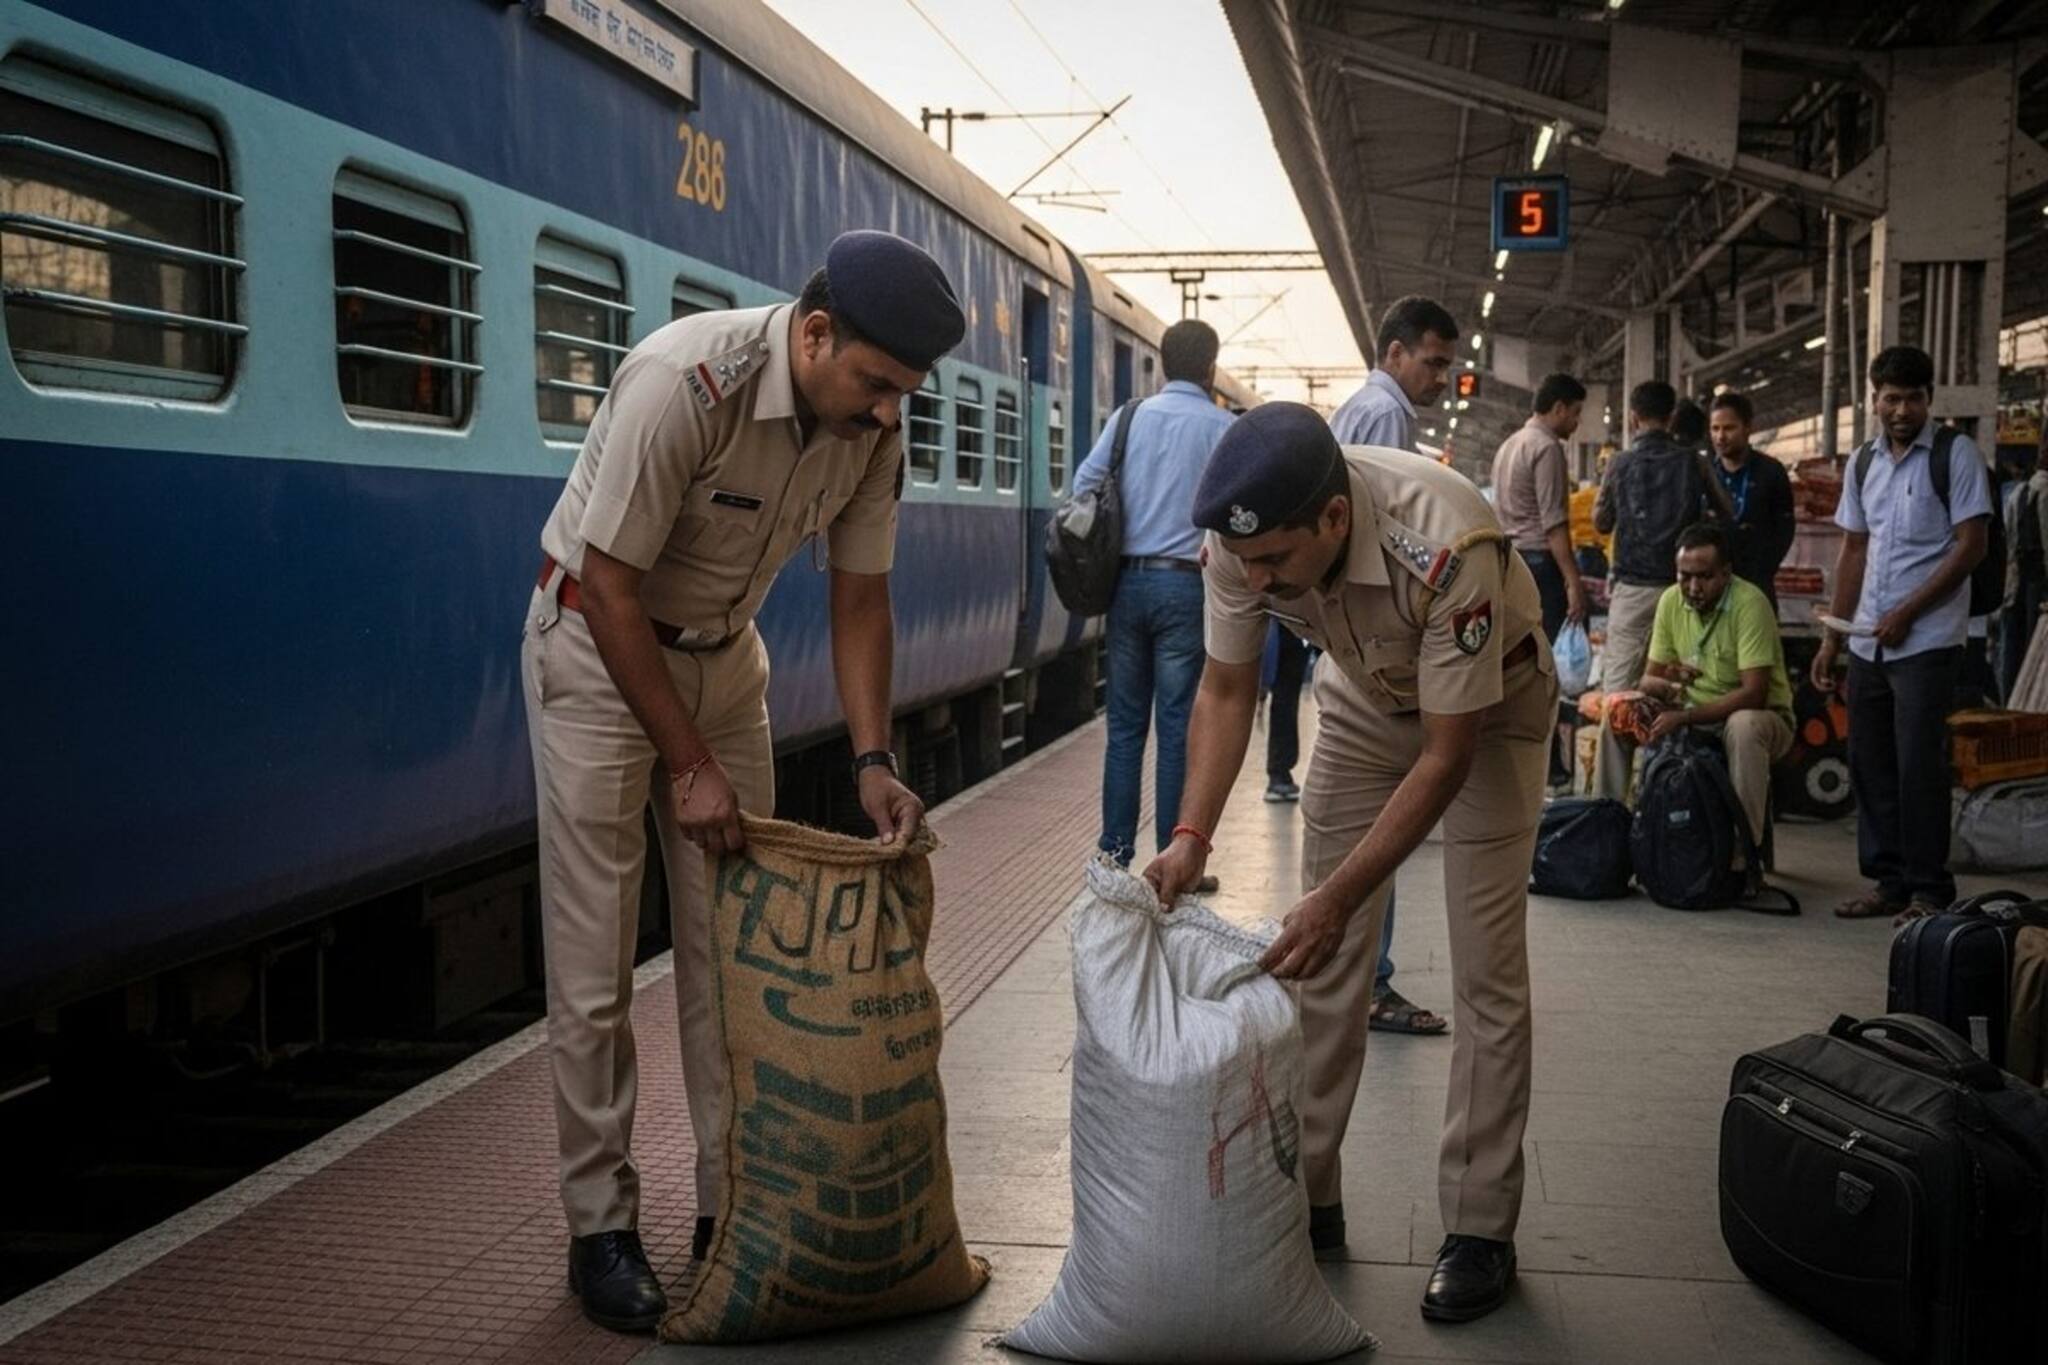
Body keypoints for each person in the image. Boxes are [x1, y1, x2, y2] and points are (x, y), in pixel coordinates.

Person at [524, 230, 962, 1332]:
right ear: (813, 334)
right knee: (595, 964)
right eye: (872, 383)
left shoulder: (870, 429)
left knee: (735, 956)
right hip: (594, 651)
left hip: (727, 663)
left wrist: (872, 763)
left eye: (900, 393)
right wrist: (691, 768)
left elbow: (860, 600)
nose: (883, 411)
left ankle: (733, 1212)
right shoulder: (685, 383)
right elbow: (612, 587)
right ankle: (601, 1227)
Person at [1146, 402, 1555, 1323]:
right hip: (1367, 704)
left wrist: (1338, 893)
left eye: (1276, 563)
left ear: (1334, 520)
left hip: (1487, 717)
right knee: (1317, 965)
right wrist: (1189, 837)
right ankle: (1308, 1195)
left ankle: (1481, 1226)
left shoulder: (1449, 544)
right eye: (1244, 562)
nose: (1256, 579)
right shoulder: (1240, 544)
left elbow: (1448, 756)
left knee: (1487, 972)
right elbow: (1225, 684)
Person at [1814, 345, 1991, 923]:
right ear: (1873, 400)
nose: (1901, 409)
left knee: (1920, 766)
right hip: (1867, 640)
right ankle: (1887, 882)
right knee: (1871, 763)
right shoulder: (1864, 463)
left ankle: (1928, 891)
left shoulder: (1954, 455)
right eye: (1891, 398)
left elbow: (1971, 547)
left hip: (1928, 641)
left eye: (1913, 398)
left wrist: (1909, 611)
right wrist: (1834, 638)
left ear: (1928, 400)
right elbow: (1854, 549)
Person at [1323, 294, 1460, 1036]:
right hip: (1375, 637)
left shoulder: (1369, 409)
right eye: (1433, 362)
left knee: (1363, 816)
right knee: (1382, 815)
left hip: (1355, 635)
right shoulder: (1384, 416)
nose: (1441, 378)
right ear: (1397, 351)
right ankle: (1369, 981)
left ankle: (1359, 975)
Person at [1069, 318, 1236, 879]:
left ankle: (1114, 855)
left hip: (1127, 585)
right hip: (1187, 587)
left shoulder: (1128, 418)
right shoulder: (1220, 428)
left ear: (1163, 365)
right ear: (1210, 367)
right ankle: (1173, 857)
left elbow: (1083, 489)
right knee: (1176, 727)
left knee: (1124, 726)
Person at [1592, 523, 1794, 879]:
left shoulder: (1750, 604)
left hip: (1759, 719)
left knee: (1743, 726)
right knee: (1619, 710)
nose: (1693, 587)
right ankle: (1605, 833)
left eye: (1704, 577)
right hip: (1686, 709)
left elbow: (1754, 693)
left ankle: (1741, 856)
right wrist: (1666, 684)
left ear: (1726, 574)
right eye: (1685, 577)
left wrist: (1685, 719)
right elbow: (1649, 678)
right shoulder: (1672, 600)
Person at [1593, 381, 1733, 695]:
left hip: (1632, 590)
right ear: (1671, 418)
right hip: (1685, 588)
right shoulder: (1694, 462)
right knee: (1683, 684)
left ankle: (1618, 742)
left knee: (1619, 689)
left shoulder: (1619, 464)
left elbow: (1601, 523)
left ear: (1632, 418)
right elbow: (1727, 511)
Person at [1491, 372, 1588, 786]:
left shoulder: (1509, 445)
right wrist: (1573, 582)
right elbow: (1554, 525)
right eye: (1577, 413)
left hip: (1507, 563)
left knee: (1512, 667)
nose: (1577, 423)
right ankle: (1548, 768)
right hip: (1540, 566)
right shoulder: (1547, 448)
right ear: (1560, 407)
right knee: (1543, 672)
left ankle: (1511, 759)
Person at [1707, 392, 1797, 612]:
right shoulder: (1705, 473)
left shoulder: (1771, 471)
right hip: (1712, 589)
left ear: (1748, 427)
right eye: (1715, 428)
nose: (1720, 437)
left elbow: (1785, 528)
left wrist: (1763, 567)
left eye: (1729, 428)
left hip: (1757, 586)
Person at [1999, 433, 2048, 699]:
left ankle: (2013, 702)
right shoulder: (2038, 492)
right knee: (2033, 651)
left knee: (2014, 651)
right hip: (2037, 585)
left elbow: (2008, 543)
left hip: (2017, 583)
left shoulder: (2018, 492)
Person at [1264, 620, 1310, 801]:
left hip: (1286, 615)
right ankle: (1279, 772)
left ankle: (1279, 774)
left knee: (1285, 694)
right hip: (1299, 618)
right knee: (1286, 695)